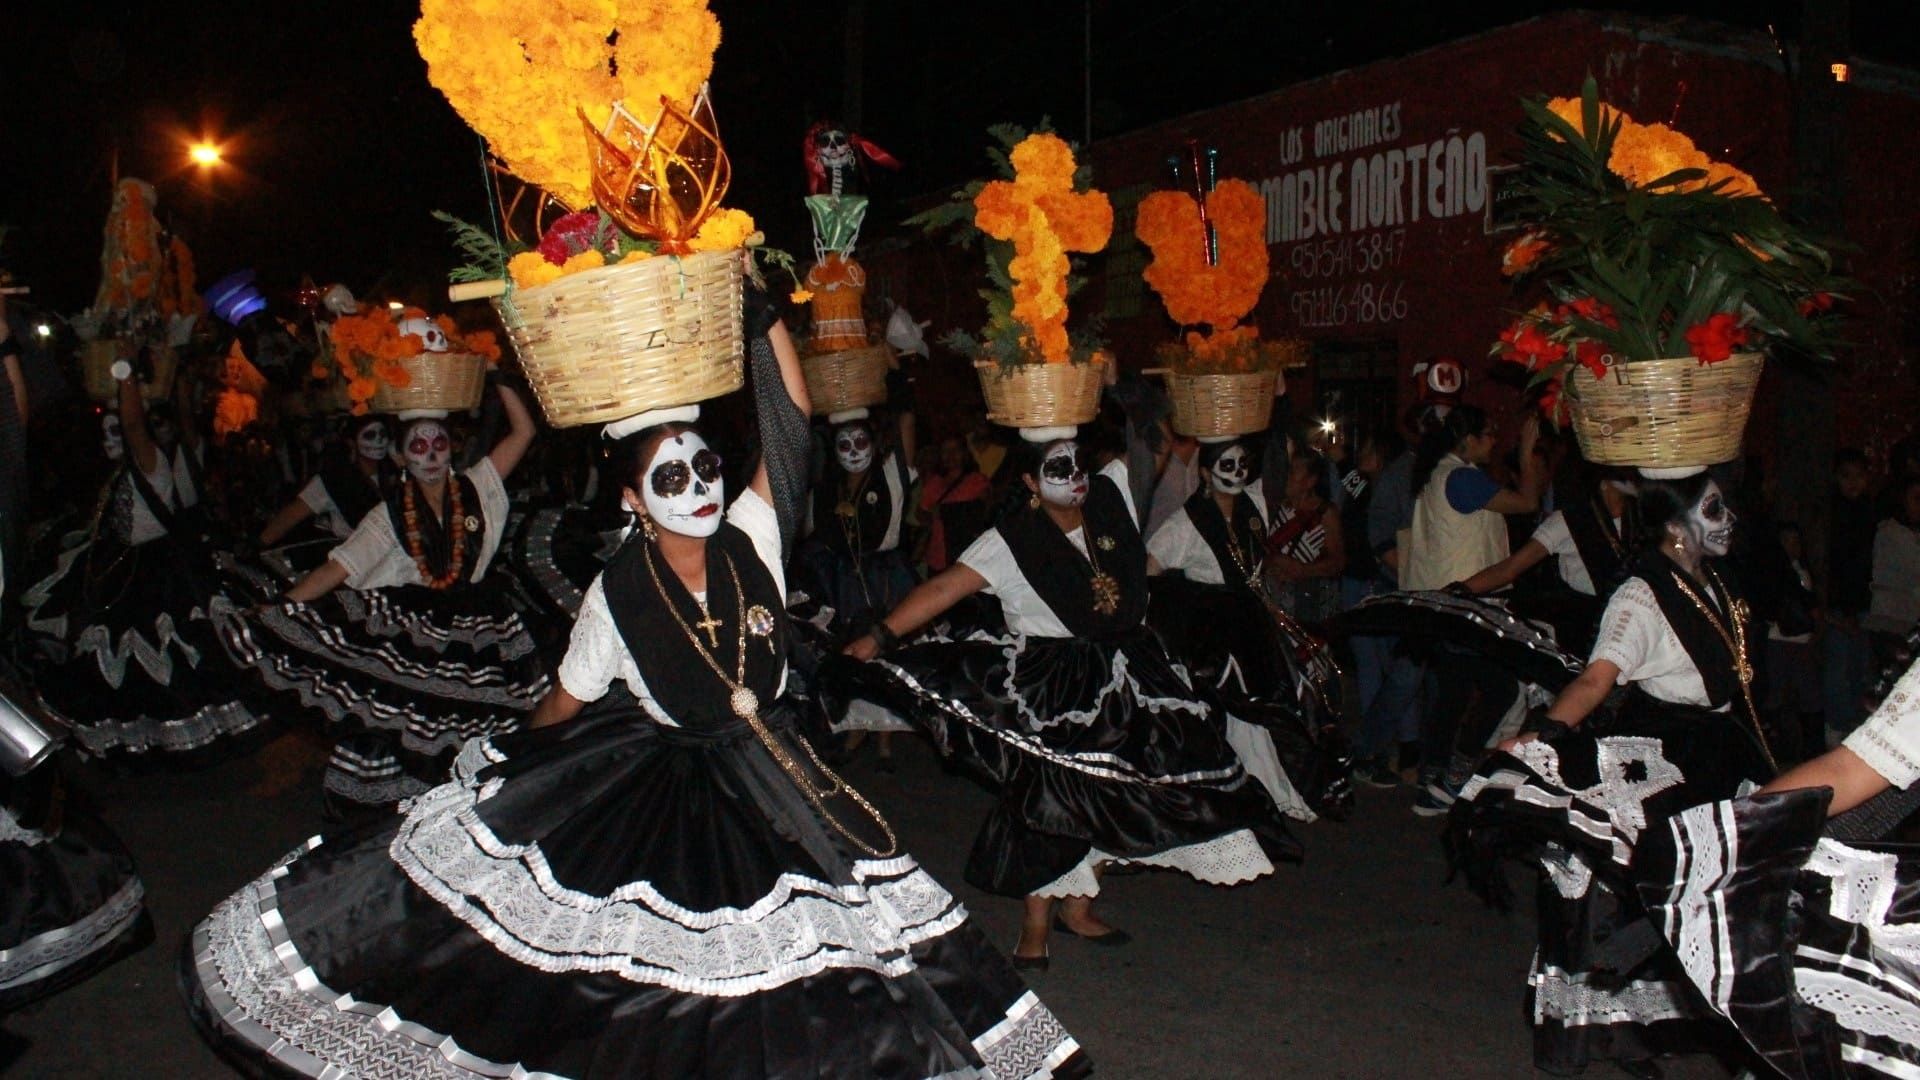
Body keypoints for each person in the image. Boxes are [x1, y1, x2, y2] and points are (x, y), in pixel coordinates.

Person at [183, 297, 1089, 1080]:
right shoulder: (614, 596)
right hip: (679, 802)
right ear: (630, 500)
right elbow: (569, 701)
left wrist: (759, 314)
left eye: (703, 470)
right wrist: (511, 758)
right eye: (670, 478)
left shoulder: (752, 534)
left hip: (787, 778)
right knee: (692, 994)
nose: (697, 488)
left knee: (839, 963)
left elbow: (790, 423)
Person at [835, 433, 1298, 969]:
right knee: (1054, 799)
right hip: (1055, 685)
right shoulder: (1010, 540)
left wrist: (1171, 408)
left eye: (1080, 462)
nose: (1075, 474)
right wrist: (877, 638)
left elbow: (1153, 447)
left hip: (1127, 669)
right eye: (1058, 467)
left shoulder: (1107, 501)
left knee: (1121, 790)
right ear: (1030, 481)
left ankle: (1079, 909)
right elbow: (943, 590)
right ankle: (1035, 926)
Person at [1455, 469, 1778, 1077]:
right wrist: (1545, 737)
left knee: (1739, 893)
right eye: (1713, 509)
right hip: (1673, 753)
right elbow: (1596, 679)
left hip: (1726, 755)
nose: (1728, 519)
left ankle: (1740, 1033)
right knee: (1632, 890)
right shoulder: (1640, 594)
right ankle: (1621, 1029)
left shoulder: (1715, 582)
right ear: (1674, 526)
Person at [216, 384, 544, 816]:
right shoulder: (389, 513)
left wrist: (497, 378)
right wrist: (281, 606)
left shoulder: (478, 485)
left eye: (439, 443)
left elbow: (523, 432)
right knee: (397, 726)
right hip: (415, 633)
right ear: (401, 457)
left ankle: (466, 814)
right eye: (418, 445)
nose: (430, 454)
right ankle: (394, 817)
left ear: (452, 450)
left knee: (483, 730)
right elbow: (340, 567)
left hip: (480, 632)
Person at [20, 363, 266, 761]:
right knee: (111, 665)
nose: (109, 439)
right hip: (118, 570)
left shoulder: (151, 464)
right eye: (104, 433)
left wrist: (124, 372)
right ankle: (133, 740)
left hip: (157, 576)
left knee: (161, 659)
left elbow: (136, 426)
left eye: (116, 431)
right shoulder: (117, 473)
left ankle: (178, 738)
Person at [1146, 437, 1345, 820]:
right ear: (1205, 473)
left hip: (1257, 622)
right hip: (1217, 634)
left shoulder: (1254, 504)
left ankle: (1278, 788)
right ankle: (1242, 793)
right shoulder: (1186, 522)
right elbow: (1150, 572)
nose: (1237, 473)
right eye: (1226, 465)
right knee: (1240, 712)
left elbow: (1279, 454)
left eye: (1241, 465)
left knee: (1282, 701)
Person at [1403, 407, 1543, 814]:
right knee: (1500, 689)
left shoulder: (1437, 474)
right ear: (1468, 440)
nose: (1494, 441)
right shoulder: (1462, 478)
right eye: (1489, 433)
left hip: (1443, 605)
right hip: (1465, 607)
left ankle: (1434, 782)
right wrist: (1527, 453)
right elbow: (1528, 502)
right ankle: (1453, 779)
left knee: (1452, 694)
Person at [1456, 466, 1640, 654]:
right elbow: (1511, 568)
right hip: (1587, 630)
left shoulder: (1642, 518)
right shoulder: (1571, 519)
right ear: (1604, 483)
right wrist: (1457, 592)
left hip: (1636, 627)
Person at [253, 414, 395, 579]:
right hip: (354, 569)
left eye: (383, 435)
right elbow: (290, 516)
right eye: (370, 435)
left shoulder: (398, 476)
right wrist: (258, 545)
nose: (379, 441)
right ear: (352, 442)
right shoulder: (334, 480)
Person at [1824, 448, 1878, 737]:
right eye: (1846, 476)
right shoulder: (1831, 514)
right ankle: (1837, 728)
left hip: (1865, 602)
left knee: (1860, 669)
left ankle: (1859, 726)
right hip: (1837, 603)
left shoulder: (1871, 513)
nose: (1853, 483)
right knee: (1838, 668)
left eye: (1859, 476)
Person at [1264, 450, 1346, 625]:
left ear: (1310, 481)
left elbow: (1337, 562)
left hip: (1309, 603)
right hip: (1274, 601)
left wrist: (1303, 570)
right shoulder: (1275, 507)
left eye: (1292, 471)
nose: (1286, 475)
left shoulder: (1325, 514)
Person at [916, 435, 992, 575]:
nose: (950, 455)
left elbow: (986, 514)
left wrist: (951, 512)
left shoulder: (976, 481)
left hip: (967, 556)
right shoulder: (934, 482)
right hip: (937, 556)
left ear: (964, 453)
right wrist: (932, 515)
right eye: (946, 451)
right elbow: (921, 514)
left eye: (955, 450)